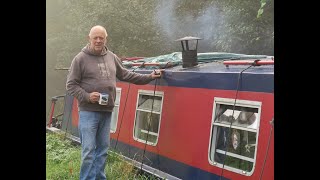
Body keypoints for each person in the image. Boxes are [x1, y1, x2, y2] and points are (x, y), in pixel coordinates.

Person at [66, 25, 163, 180]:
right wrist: (87, 96)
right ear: (89, 38)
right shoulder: (80, 59)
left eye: (101, 38)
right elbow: (71, 85)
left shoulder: (112, 57)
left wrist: (150, 77)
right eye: (95, 38)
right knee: (89, 151)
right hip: (88, 111)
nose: (98, 41)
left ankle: (99, 178)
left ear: (106, 39)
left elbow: (127, 75)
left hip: (106, 112)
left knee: (103, 150)